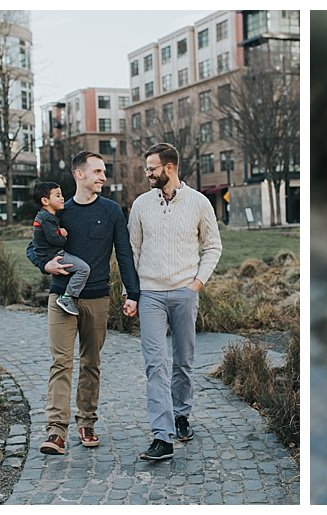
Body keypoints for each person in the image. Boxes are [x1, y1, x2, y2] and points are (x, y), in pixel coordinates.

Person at [26, 151, 140, 455]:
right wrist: (44, 265)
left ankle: (86, 422)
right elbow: (32, 246)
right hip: (60, 298)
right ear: (80, 174)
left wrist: (133, 293)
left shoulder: (113, 210)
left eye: (104, 172)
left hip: (97, 298)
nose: (103, 177)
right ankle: (56, 432)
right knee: (61, 363)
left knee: (91, 363)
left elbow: (124, 254)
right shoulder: (60, 210)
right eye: (98, 172)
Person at [128, 142, 222, 461]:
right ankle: (162, 436)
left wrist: (197, 283)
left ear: (169, 168)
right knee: (156, 363)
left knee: (183, 360)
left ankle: (181, 415)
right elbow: (133, 250)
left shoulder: (198, 203)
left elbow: (213, 246)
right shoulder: (141, 205)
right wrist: (134, 291)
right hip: (150, 294)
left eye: (151, 168)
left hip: (184, 292)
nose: (147, 173)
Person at [30, 181, 90, 316]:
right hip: (54, 256)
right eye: (57, 195)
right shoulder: (47, 218)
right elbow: (54, 239)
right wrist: (63, 235)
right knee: (83, 269)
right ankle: (67, 297)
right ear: (45, 200)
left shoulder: (45, 216)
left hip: (50, 255)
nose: (62, 198)